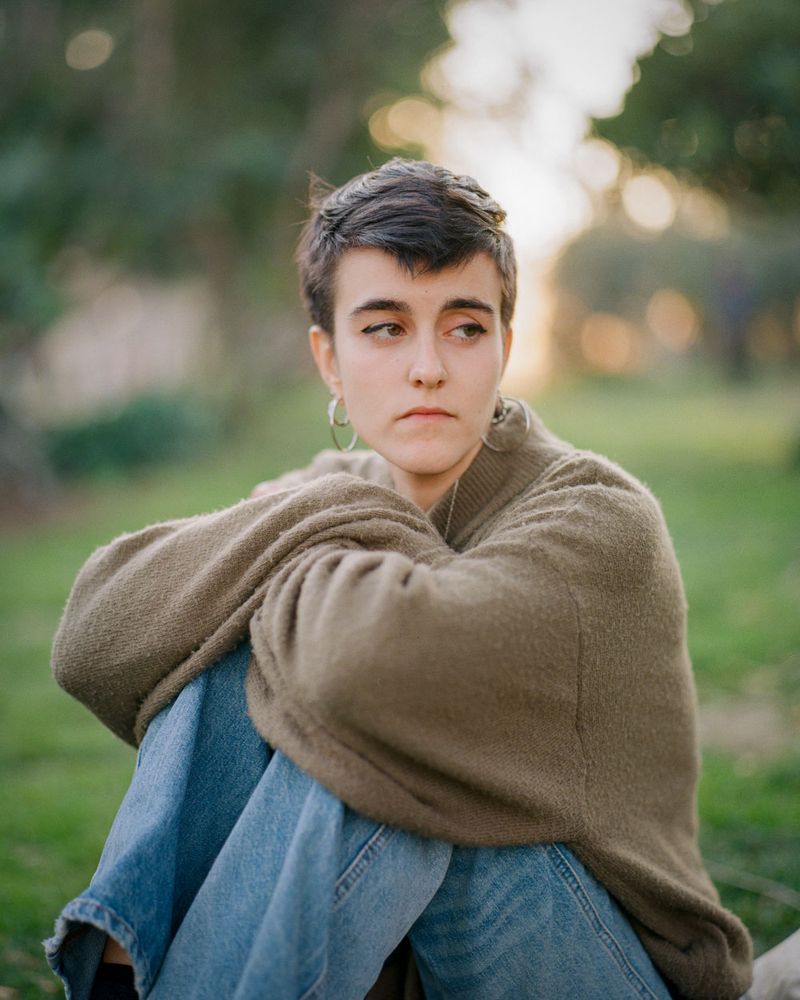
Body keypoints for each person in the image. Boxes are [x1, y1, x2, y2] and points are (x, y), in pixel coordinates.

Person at [45, 158, 753, 1000]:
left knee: (377, 741)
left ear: (504, 347)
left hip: (601, 959)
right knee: (235, 657)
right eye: (385, 328)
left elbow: (373, 668)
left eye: (463, 327)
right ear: (330, 360)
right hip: (419, 963)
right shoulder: (332, 493)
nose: (428, 368)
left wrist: (328, 538)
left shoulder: (598, 517)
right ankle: (128, 970)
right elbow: (92, 634)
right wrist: (338, 529)